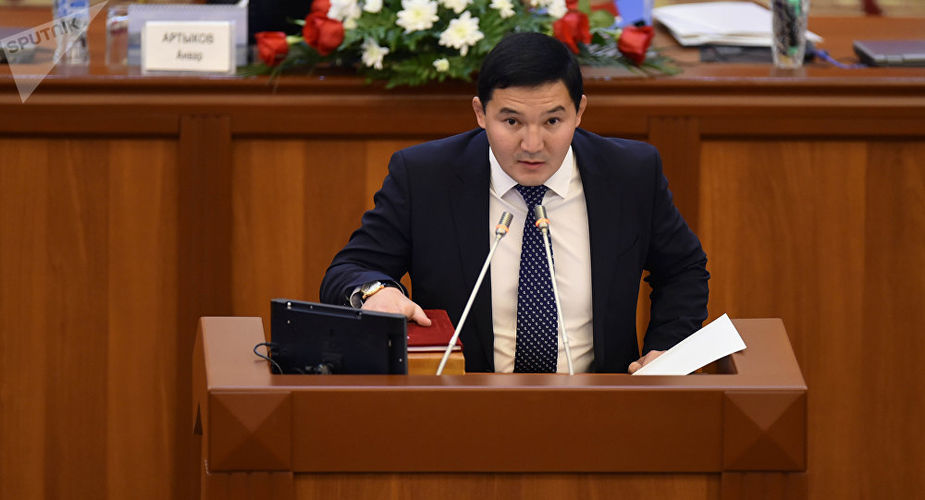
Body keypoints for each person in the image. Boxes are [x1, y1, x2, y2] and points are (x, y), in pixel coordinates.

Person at [320, 32, 709, 374]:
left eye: (552, 121)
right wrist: (374, 292)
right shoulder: (425, 177)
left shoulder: (629, 174)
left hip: (597, 401)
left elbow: (683, 270)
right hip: (464, 403)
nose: (532, 145)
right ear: (481, 113)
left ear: (579, 112)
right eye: (512, 122)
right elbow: (350, 270)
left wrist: (665, 349)